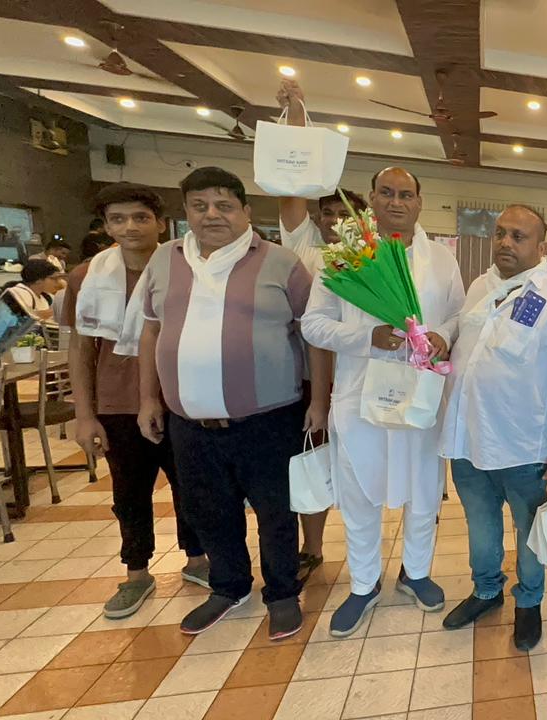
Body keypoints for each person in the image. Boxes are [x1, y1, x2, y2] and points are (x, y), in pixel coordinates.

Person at [137, 167, 330, 640]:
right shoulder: (164, 260)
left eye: (224, 205)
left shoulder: (281, 262)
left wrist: (320, 400)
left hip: (267, 418)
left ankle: (282, 592)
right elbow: (150, 330)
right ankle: (228, 587)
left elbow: (315, 334)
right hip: (189, 422)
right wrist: (147, 398)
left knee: (276, 511)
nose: (212, 215)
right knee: (207, 509)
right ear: (185, 213)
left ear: (245, 211)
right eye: (199, 206)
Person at [302, 165, 465, 636]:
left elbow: (458, 315)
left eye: (406, 195)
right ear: (371, 199)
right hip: (360, 397)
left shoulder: (441, 260)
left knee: (423, 489)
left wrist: (443, 334)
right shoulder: (345, 258)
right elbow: (313, 324)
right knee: (360, 492)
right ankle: (364, 584)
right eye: (387, 193)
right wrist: (365, 337)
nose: (397, 202)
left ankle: (416, 572)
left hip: (420, 394)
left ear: (419, 203)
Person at [439, 204, 547, 651]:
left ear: (541, 246)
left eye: (518, 236)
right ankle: (487, 590)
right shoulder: (479, 286)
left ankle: (529, 601)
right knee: (480, 525)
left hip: (524, 447)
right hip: (468, 438)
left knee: (529, 534)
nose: (506, 242)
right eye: (501, 233)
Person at [63, 183, 209, 619]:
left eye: (140, 218)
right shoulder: (86, 277)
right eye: (118, 219)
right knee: (129, 491)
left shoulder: (183, 268)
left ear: (160, 224)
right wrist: (84, 415)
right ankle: (136, 572)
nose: (130, 227)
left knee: (191, 485)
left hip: (178, 397)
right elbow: (80, 349)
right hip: (115, 403)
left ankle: (198, 560)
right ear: (106, 226)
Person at [275, 79, 370, 582]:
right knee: (302, 457)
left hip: (351, 375)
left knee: (335, 460)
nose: (335, 220)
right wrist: (297, 114)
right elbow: (292, 190)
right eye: (328, 212)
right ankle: (301, 546)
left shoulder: (368, 259)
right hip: (300, 372)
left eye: (344, 214)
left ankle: (321, 545)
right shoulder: (304, 246)